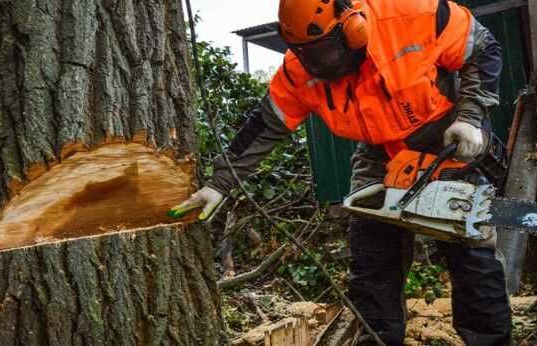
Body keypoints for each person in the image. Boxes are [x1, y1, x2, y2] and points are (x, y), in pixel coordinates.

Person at [169, 0, 510, 344]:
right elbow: (264, 126)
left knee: (472, 255)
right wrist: (219, 184)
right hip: (379, 152)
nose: (317, 65)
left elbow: (482, 47)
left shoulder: (412, 13)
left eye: (324, 53)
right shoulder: (301, 72)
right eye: (306, 54)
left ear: (352, 29)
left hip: (446, 138)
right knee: (371, 260)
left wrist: (470, 116)